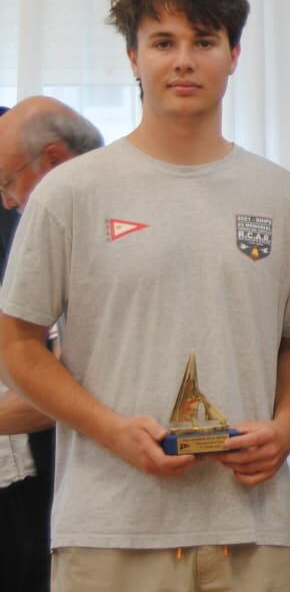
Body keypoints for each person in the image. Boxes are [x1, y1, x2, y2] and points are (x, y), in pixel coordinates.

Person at [0, 0, 290, 591]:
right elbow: (16, 343)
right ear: (133, 57)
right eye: (163, 42)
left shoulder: (289, 200)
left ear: (233, 55)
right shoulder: (69, 194)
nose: (184, 60)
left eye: (204, 41)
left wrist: (286, 428)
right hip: (108, 531)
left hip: (250, 531)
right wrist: (111, 431)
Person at [0, 98, 103, 591]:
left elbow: (69, 381)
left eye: (6, 183)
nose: (7, 199)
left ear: (56, 160)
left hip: (51, 483)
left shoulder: (85, 229)